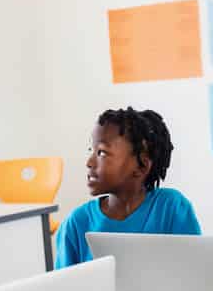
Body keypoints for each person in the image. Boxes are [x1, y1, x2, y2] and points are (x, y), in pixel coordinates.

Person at [54, 107, 201, 267]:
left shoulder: (172, 208)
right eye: (91, 150)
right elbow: (64, 289)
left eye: (102, 153)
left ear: (141, 166)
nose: (89, 162)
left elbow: (193, 273)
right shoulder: (76, 223)